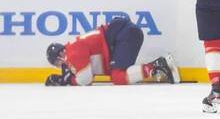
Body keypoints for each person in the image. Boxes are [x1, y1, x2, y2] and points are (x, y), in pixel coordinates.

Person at [44, 17, 179, 86]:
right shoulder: (73, 47)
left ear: (60, 55)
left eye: (57, 63)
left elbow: (85, 79)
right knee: (117, 74)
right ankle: (158, 67)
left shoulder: (70, 52)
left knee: (118, 77)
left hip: (122, 34)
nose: (60, 66)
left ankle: (158, 66)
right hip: (122, 34)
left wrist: (68, 81)